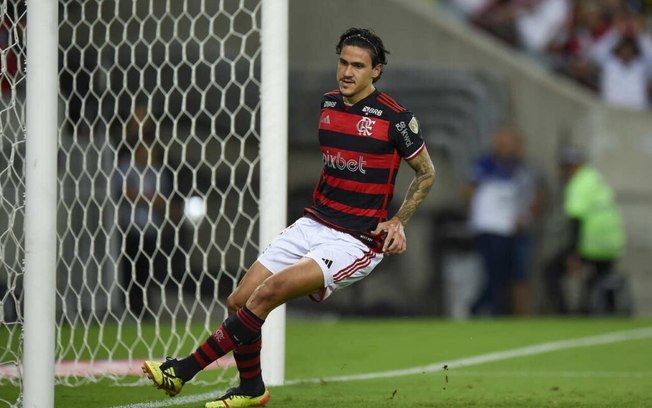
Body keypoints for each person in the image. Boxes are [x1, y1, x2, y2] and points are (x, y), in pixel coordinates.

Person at [142, 27, 436, 408]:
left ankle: (181, 371)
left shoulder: (395, 119)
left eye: (358, 66)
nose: (347, 72)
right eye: (343, 63)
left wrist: (399, 221)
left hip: (355, 241)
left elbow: (426, 172)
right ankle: (251, 388)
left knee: (267, 295)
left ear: (376, 71)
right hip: (314, 223)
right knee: (239, 300)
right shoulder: (328, 105)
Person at [465, 127, 544, 315]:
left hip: (512, 228)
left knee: (509, 273)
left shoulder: (524, 170)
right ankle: (490, 309)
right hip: (489, 227)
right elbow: (469, 191)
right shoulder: (484, 165)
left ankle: (482, 307)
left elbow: (537, 195)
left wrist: (526, 216)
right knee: (494, 271)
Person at [544, 145, 626, 314]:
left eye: (567, 166)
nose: (565, 171)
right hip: (612, 246)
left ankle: (564, 313)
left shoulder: (578, 184)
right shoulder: (596, 179)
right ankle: (607, 311)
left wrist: (574, 253)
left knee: (550, 270)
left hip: (590, 244)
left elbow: (577, 220)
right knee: (599, 278)